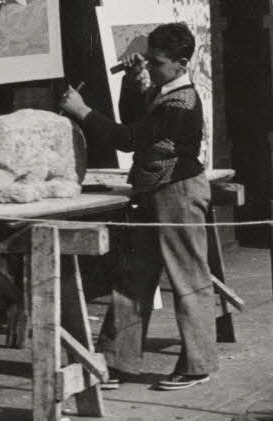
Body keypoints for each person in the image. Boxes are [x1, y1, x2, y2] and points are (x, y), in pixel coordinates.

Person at [59, 22, 216, 391]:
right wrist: (133, 80)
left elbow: (130, 138)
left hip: (178, 192)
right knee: (133, 276)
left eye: (157, 63)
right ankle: (117, 360)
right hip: (152, 191)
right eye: (149, 61)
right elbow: (134, 116)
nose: (153, 68)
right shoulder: (163, 91)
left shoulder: (182, 101)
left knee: (188, 277)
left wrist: (82, 112)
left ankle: (198, 363)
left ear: (181, 63)